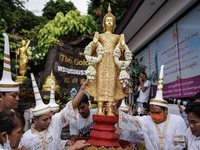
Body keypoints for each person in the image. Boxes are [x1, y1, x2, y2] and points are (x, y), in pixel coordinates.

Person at [113, 65, 187, 150]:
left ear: (166, 110)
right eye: (152, 112)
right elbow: (132, 120)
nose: (154, 115)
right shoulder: (147, 120)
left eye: (157, 112)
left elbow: (179, 146)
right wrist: (117, 112)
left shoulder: (177, 121)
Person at [84, 3, 132, 115]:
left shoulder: (117, 37)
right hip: (101, 61)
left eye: (111, 21)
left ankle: (110, 109)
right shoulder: (99, 36)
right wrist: (95, 43)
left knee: (111, 84)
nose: (109, 22)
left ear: (114, 24)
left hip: (113, 63)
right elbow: (92, 48)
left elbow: (121, 50)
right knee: (101, 83)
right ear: (103, 23)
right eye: (107, 20)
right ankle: (100, 109)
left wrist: (121, 45)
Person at [20, 73, 89, 150]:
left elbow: (70, 108)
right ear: (35, 120)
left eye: (50, 117)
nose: (49, 121)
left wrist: (81, 91)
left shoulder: (54, 122)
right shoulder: (26, 138)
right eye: (45, 119)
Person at [0, 33, 19, 111]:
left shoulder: (13, 115)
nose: (17, 99)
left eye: (18, 95)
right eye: (14, 96)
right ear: (1, 96)